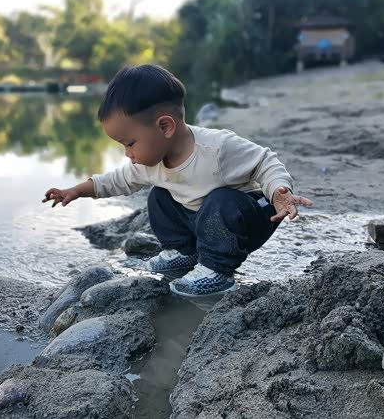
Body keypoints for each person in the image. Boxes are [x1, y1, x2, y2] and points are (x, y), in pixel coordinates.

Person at [42, 64, 313, 297]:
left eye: (130, 143)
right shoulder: (149, 163)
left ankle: (217, 271)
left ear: (165, 126)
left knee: (220, 201)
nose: (127, 153)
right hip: (204, 222)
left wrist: (279, 193)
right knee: (159, 197)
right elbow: (116, 180)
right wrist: (76, 190)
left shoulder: (217, 148)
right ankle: (185, 252)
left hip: (248, 218)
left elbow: (264, 161)